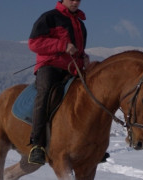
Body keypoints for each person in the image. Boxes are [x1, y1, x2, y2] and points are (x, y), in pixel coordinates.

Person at [28, 0, 89, 165]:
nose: (76, 2)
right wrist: (62, 45)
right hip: (50, 66)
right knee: (45, 93)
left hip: (72, 69)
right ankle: (37, 145)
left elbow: (77, 50)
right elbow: (34, 43)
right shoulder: (49, 17)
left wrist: (83, 57)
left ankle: (90, 144)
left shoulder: (80, 24)